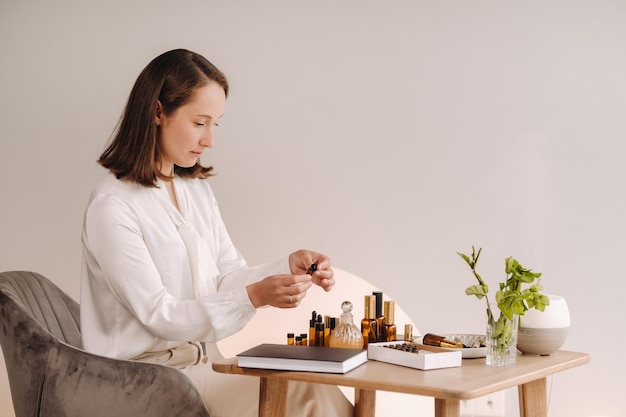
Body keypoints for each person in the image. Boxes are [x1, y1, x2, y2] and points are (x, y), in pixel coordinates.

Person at [80, 48, 353, 417]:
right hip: (143, 381)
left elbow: (226, 275)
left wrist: (285, 268)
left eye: (215, 124)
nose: (210, 140)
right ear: (158, 111)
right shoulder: (112, 207)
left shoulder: (195, 190)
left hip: (205, 364)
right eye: (199, 122)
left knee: (312, 386)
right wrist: (253, 297)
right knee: (303, 391)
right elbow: (159, 313)